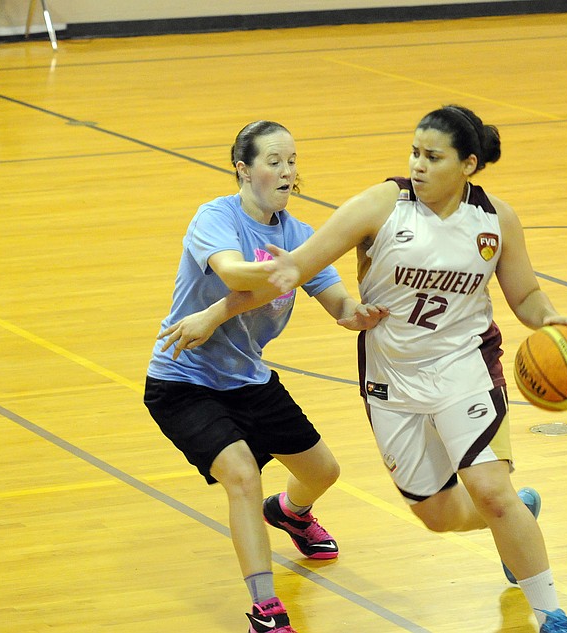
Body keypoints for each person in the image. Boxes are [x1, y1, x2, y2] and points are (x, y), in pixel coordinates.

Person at [165, 106, 567, 633]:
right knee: (438, 515)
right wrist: (216, 308)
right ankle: (511, 521)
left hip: (466, 365)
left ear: (468, 165)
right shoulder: (381, 204)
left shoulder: (496, 219)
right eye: (414, 152)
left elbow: (524, 294)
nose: (417, 164)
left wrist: (548, 318)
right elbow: (296, 268)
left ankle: (551, 610)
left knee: (489, 487)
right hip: (392, 379)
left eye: (433, 156)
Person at [144, 120, 388, 633]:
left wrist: (355, 312)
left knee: (323, 472)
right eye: (274, 161)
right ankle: (265, 608)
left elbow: (336, 302)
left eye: (292, 161)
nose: (287, 171)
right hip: (182, 379)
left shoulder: (299, 238)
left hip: (248, 379)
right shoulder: (217, 217)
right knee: (241, 475)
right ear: (243, 169)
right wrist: (297, 266)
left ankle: (292, 513)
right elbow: (234, 274)